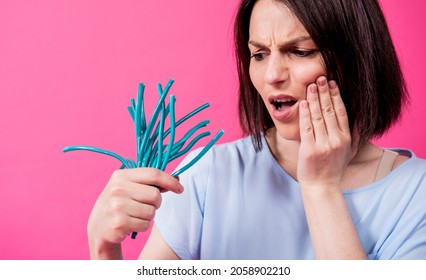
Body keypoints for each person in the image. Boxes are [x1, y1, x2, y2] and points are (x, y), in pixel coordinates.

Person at [87, 0, 426, 260]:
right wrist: (103, 248)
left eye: (300, 51)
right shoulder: (206, 175)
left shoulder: (415, 193)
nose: (272, 75)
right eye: (259, 54)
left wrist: (320, 187)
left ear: (358, 57)